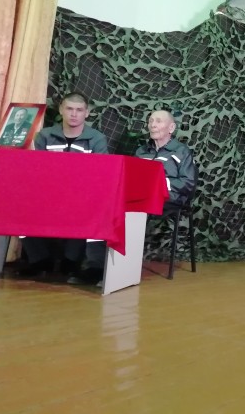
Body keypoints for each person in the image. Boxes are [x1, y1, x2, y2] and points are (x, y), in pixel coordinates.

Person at [68, 109, 196, 285]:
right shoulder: (141, 151)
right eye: (150, 121)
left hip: (169, 199)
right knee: (102, 210)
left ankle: (120, 273)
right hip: (140, 198)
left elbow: (188, 183)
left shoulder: (181, 152)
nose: (153, 125)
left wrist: (159, 184)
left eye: (158, 121)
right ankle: (95, 267)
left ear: (171, 127)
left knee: (130, 214)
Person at [18, 92, 108, 277]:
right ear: (61, 110)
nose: (74, 114)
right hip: (47, 194)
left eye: (79, 110)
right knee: (20, 206)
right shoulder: (44, 135)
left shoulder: (97, 138)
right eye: (69, 109)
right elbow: (35, 169)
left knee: (94, 208)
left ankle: (71, 261)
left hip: (82, 195)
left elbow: (101, 173)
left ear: (87, 113)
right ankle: (39, 260)